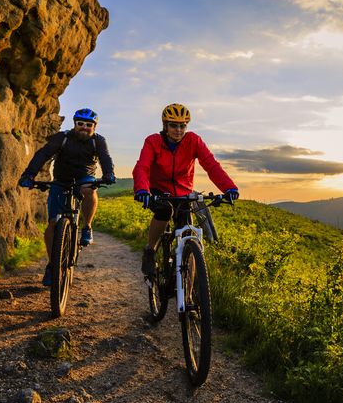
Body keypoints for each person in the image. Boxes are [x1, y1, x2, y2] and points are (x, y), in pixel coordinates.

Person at [132, 103, 239, 278]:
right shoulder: (153, 141)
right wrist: (143, 190)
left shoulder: (193, 141)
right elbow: (142, 167)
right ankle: (150, 250)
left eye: (183, 125)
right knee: (164, 210)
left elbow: (211, 166)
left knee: (188, 236)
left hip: (183, 193)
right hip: (158, 189)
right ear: (165, 126)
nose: (178, 130)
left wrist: (229, 188)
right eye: (174, 125)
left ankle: (188, 296)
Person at [18, 108, 116, 286]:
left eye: (89, 125)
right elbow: (43, 154)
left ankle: (87, 226)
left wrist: (109, 173)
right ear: (74, 124)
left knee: (89, 190)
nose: (84, 128)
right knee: (53, 223)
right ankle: (52, 264)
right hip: (61, 180)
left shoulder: (98, 141)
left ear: (94, 126)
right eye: (81, 124)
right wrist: (29, 175)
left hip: (84, 178)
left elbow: (105, 158)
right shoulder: (62, 138)